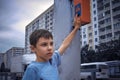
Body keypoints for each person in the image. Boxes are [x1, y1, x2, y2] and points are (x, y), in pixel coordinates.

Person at [22, 15, 81, 80]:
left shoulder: (53, 59)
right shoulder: (33, 69)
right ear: (33, 48)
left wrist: (76, 28)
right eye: (44, 45)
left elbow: (64, 44)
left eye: (51, 44)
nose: (50, 48)